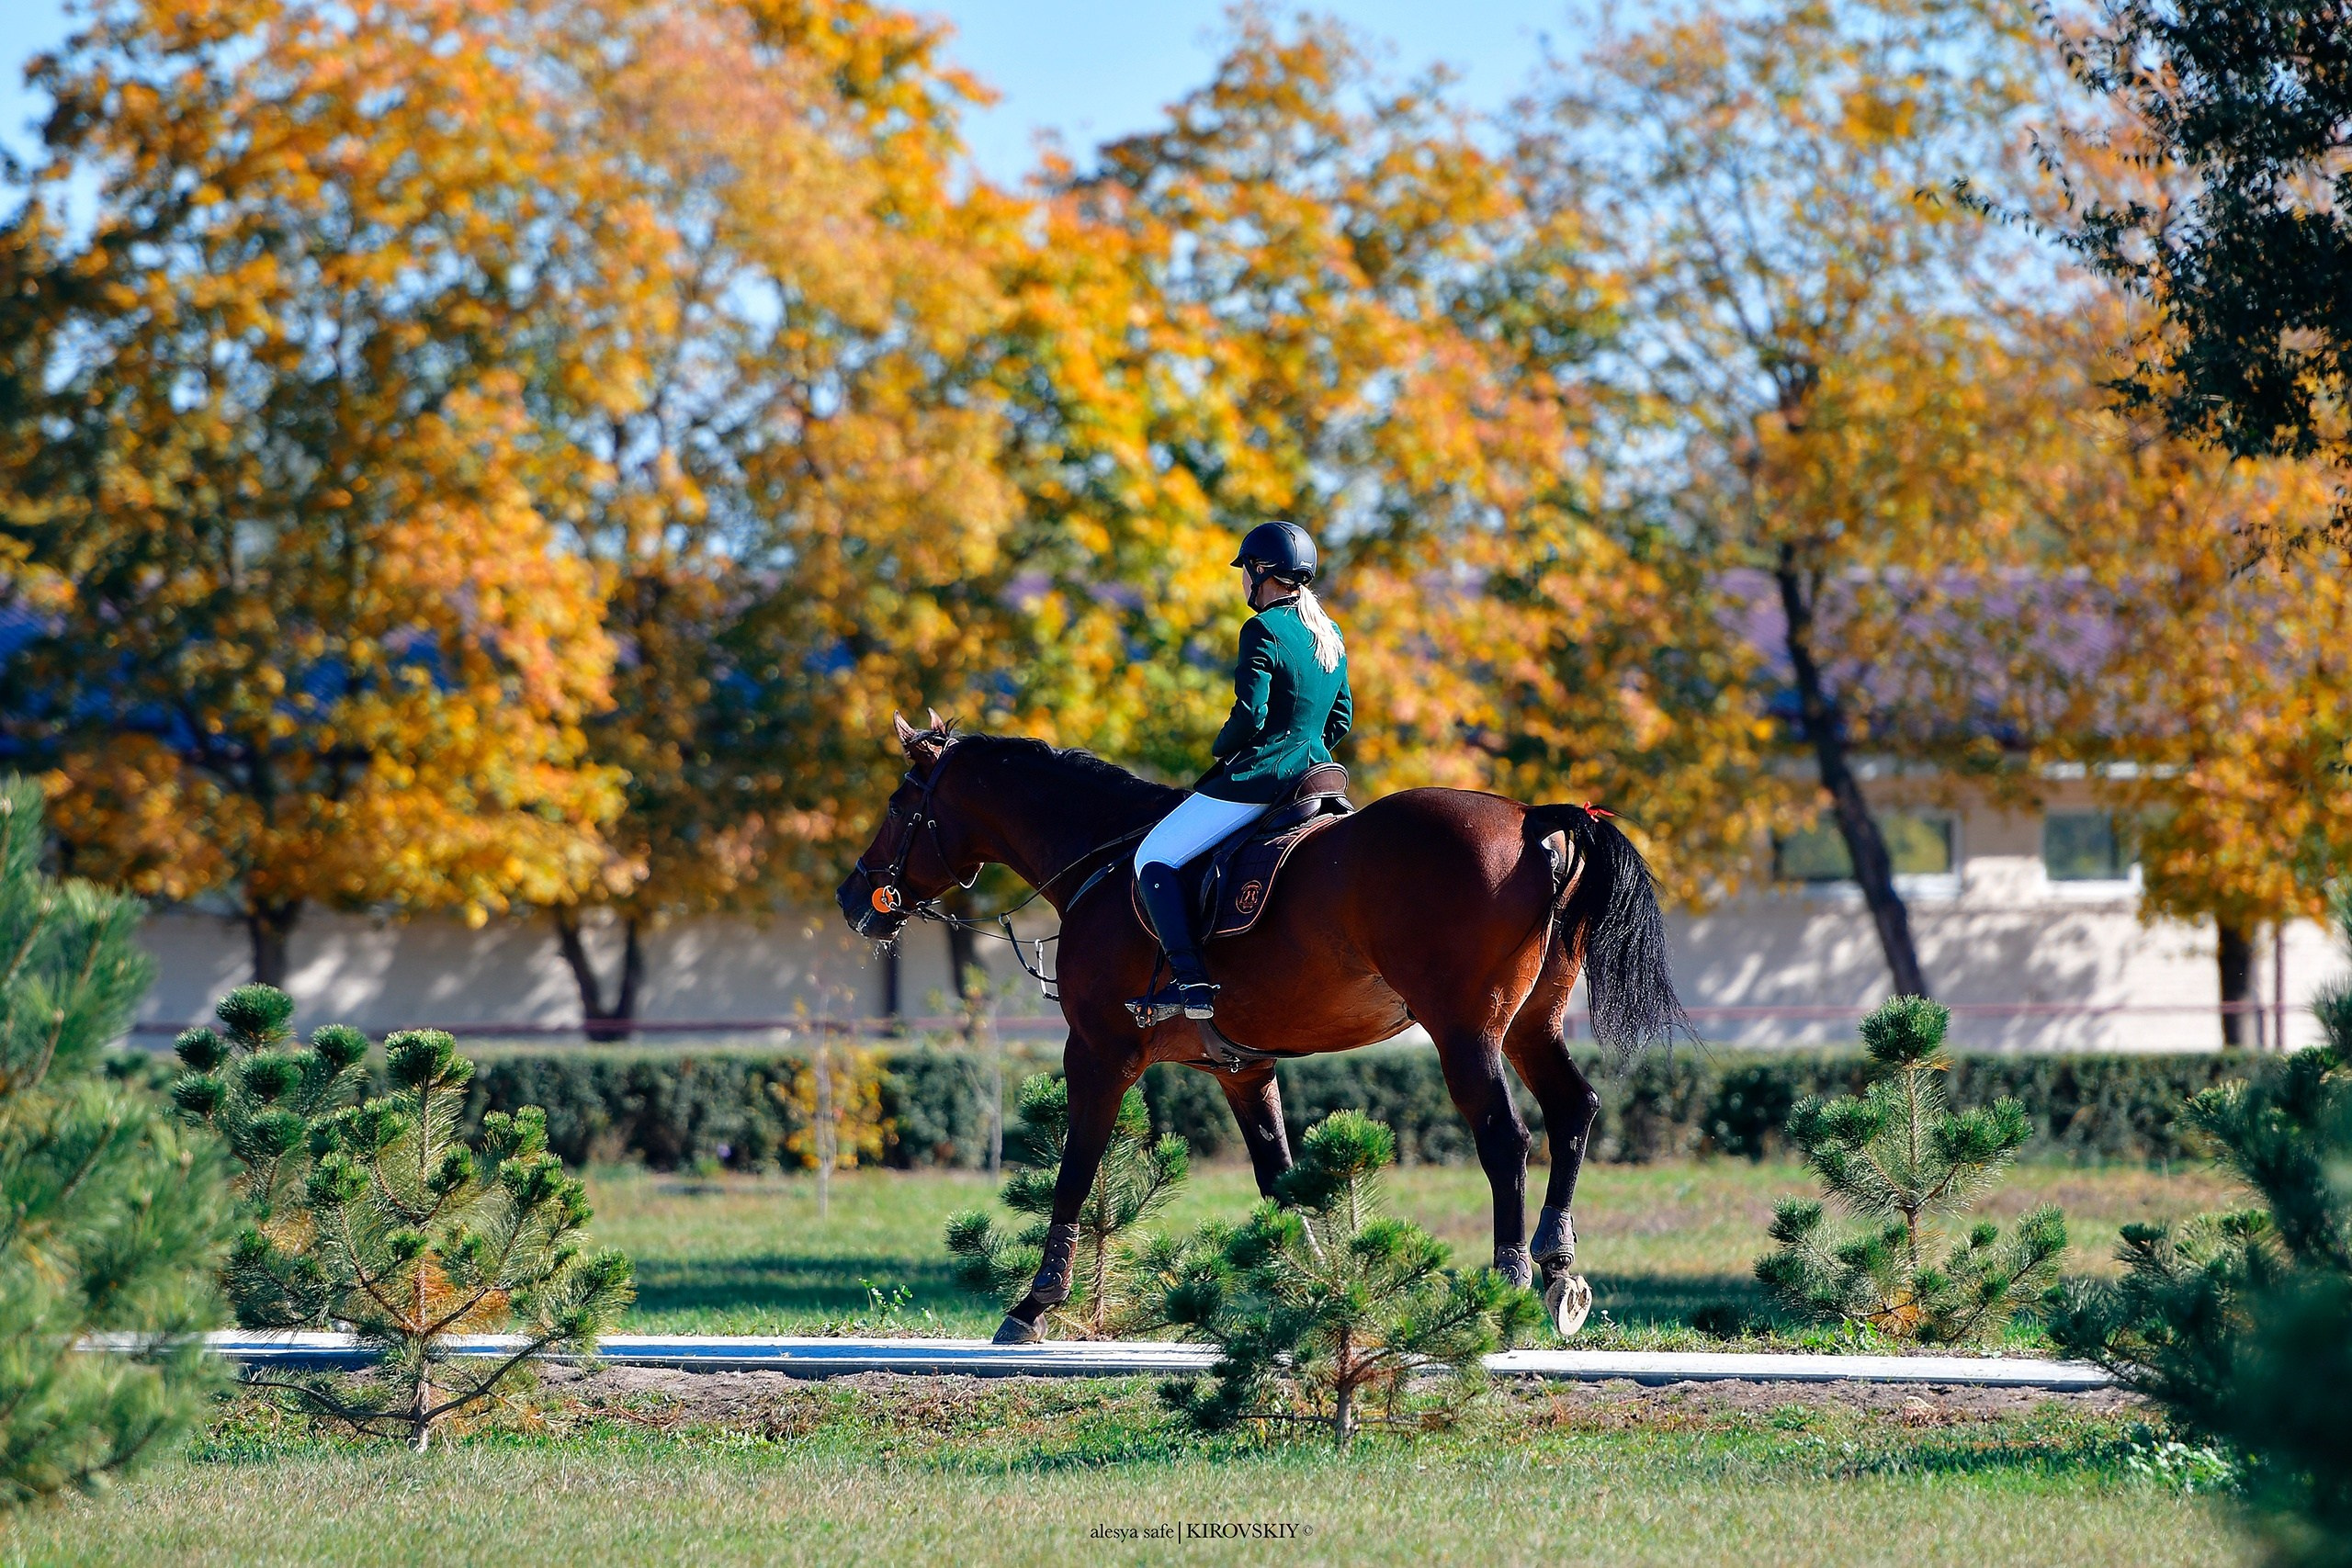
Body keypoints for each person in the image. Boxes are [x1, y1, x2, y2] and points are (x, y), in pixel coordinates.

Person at [1132, 521, 1351, 1021]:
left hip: (1262, 779)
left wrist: (1221, 747)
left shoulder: (1262, 629)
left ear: (1260, 571)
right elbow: (1341, 717)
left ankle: (1191, 984)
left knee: (1154, 857)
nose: (1242, 581)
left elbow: (1250, 716)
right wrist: (1308, 748)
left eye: (1244, 571)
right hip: (1320, 775)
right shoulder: (1329, 632)